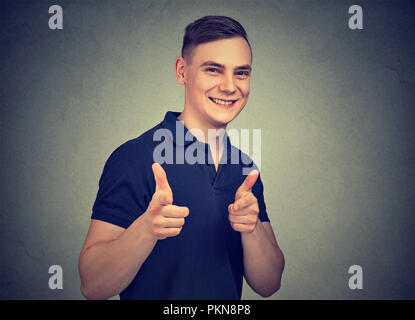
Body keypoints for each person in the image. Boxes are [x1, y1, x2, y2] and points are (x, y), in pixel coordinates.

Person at [78, 15, 285, 300]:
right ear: (182, 71)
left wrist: (252, 231)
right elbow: (92, 286)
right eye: (213, 70)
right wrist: (146, 230)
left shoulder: (245, 170)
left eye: (241, 72)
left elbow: (269, 283)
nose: (229, 86)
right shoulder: (135, 157)